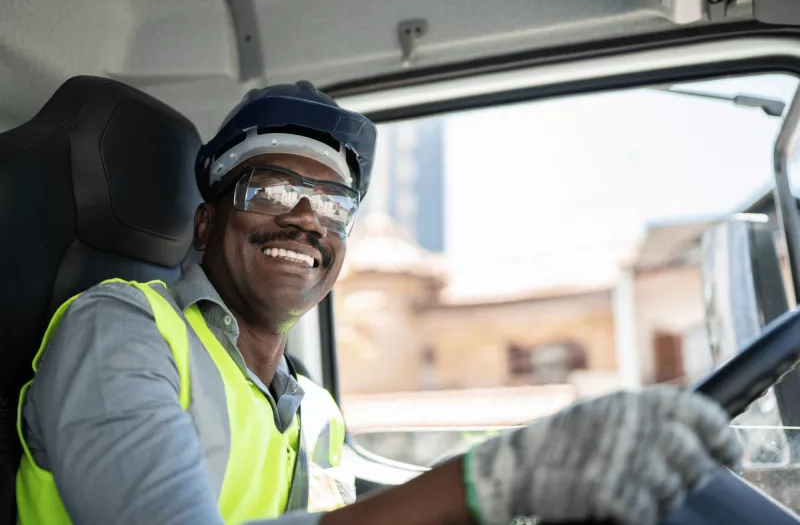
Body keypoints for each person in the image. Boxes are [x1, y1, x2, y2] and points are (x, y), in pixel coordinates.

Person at [15, 81, 742, 525]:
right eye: (272, 190)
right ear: (206, 223)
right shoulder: (120, 331)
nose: (306, 219)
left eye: (332, 206)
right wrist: (489, 481)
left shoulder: (316, 409)